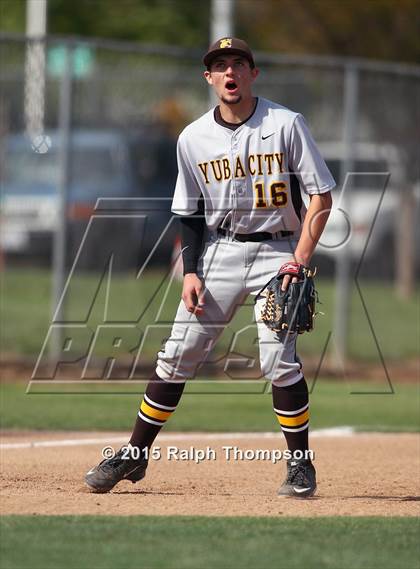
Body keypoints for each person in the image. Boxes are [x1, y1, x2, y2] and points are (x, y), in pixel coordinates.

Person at [85, 37, 335, 498]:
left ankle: (301, 468)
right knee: (177, 355)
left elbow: (321, 195)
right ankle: (135, 456)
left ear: (252, 73)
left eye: (238, 63)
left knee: (277, 361)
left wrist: (299, 261)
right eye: (220, 65)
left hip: (278, 253)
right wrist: (193, 270)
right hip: (218, 252)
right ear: (209, 77)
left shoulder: (285, 124)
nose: (229, 72)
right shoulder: (193, 137)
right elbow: (190, 212)